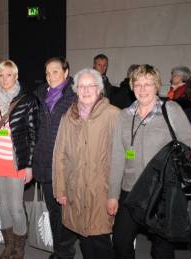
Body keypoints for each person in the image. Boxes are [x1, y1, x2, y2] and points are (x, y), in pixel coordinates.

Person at [107, 64, 191, 259]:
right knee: (120, 241)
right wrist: (112, 195)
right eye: (138, 84)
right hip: (130, 190)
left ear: (157, 86)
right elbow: (118, 155)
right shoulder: (124, 116)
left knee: (162, 249)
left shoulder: (171, 109)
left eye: (148, 84)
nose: (142, 89)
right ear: (132, 86)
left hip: (162, 191)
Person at [53, 68, 119, 259]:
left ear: (99, 89)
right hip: (75, 189)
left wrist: (116, 193)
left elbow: (125, 155)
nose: (86, 90)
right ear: (76, 89)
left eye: (91, 86)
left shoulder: (113, 115)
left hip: (101, 191)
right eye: (82, 86)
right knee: (84, 237)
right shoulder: (69, 117)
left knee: (100, 239)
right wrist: (60, 189)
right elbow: (60, 155)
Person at [0, 60, 38, 259]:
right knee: (2, 204)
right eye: (1, 75)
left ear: (16, 76)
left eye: (9, 75)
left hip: (16, 161)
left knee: (16, 206)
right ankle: (9, 244)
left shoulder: (27, 100)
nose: (4, 79)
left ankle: (19, 246)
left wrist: (28, 165)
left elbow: (32, 134)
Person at [33, 57, 78, 259]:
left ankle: (66, 251)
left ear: (66, 73)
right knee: (53, 210)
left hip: (65, 164)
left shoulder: (75, 96)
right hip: (44, 162)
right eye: (48, 72)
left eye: (56, 72)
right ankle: (59, 249)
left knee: (65, 210)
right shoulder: (40, 95)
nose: (51, 77)